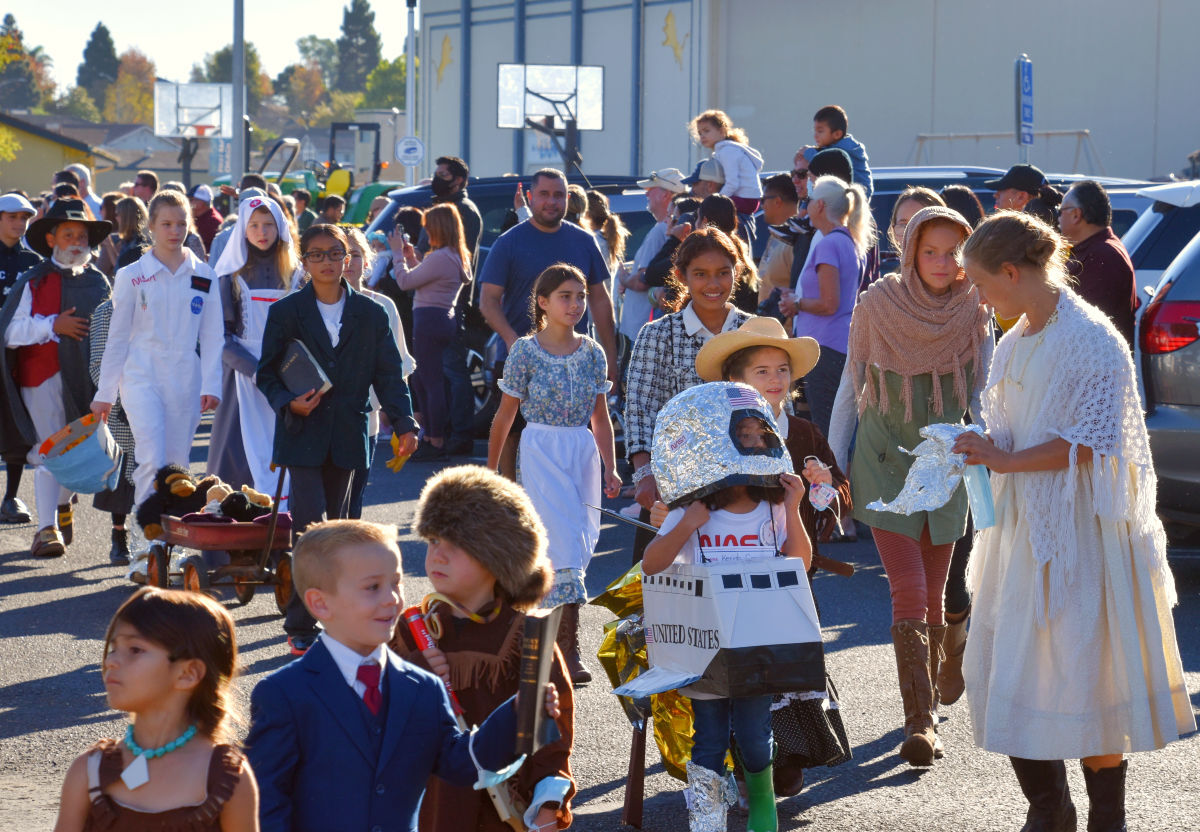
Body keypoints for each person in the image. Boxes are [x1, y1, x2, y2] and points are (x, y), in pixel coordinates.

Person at [956, 211, 1194, 832]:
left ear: (1012, 271)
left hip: (1081, 534)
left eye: (982, 283)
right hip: (1020, 529)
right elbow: (1015, 425)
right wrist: (981, 446)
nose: (978, 296)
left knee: (1087, 675)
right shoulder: (1015, 339)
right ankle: (1049, 809)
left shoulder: (1091, 338)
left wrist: (1005, 456)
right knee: (1013, 666)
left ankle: (1106, 820)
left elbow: (1090, 442)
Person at [244, 518, 562, 832]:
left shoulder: (422, 688)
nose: (392, 599)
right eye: (373, 587)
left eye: (396, 582)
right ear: (320, 603)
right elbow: (265, 804)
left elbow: (462, 764)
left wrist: (516, 712)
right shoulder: (284, 694)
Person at [837, 206, 991, 767]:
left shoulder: (976, 307)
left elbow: (986, 390)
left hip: (947, 464)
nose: (944, 263)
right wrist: (833, 463)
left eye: (954, 252)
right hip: (883, 461)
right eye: (932, 251)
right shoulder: (878, 303)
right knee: (908, 587)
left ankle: (950, 656)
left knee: (936, 586)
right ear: (911, 252)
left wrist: (992, 449)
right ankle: (920, 722)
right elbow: (852, 385)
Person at [692, 316, 851, 795]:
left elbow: (842, 491)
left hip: (793, 571)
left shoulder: (802, 431)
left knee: (789, 670)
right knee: (735, 675)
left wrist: (825, 490)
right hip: (728, 571)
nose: (776, 379)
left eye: (782, 369)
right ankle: (741, 770)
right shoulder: (714, 432)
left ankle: (785, 766)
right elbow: (688, 491)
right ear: (735, 382)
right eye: (761, 371)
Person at [256, 224, 419, 654]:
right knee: (309, 530)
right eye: (317, 255)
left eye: (335, 253)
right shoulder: (287, 311)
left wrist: (404, 423)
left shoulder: (371, 313)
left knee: (345, 529)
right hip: (303, 433)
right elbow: (267, 373)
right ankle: (302, 624)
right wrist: (290, 402)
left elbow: (388, 374)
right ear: (304, 262)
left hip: (350, 432)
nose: (327, 262)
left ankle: (342, 619)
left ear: (348, 259)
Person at [390, 466, 577, 831]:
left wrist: (548, 800)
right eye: (432, 541)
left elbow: (548, 736)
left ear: (498, 557)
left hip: (500, 814)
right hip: (428, 810)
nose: (437, 555)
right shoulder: (412, 629)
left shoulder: (528, 635)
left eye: (455, 545)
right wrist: (415, 671)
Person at [644, 426, 810, 832]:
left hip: (757, 640)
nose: (750, 442)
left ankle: (762, 803)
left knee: (755, 734)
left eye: (758, 435)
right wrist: (687, 523)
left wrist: (794, 506)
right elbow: (651, 564)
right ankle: (706, 821)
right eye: (741, 435)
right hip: (704, 643)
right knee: (710, 737)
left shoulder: (773, 508)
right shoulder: (692, 508)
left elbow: (801, 563)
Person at [487, 265, 621, 684]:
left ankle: (538, 643)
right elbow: (504, 417)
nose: (576, 304)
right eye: (565, 296)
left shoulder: (593, 353)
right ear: (542, 302)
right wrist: (492, 470)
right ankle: (567, 650)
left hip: (580, 453)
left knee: (578, 546)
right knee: (560, 544)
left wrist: (611, 466)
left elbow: (600, 417)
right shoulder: (525, 352)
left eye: (580, 296)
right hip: (542, 450)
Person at [52, 587, 258, 831]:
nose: (111, 661)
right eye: (113, 648)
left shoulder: (227, 778)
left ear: (188, 674)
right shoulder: (88, 770)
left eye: (135, 650)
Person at [625, 228, 754, 560]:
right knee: (662, 597)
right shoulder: (657, 335)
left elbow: (776, 409)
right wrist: (644, 475)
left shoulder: (756, 332)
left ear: (736, 272)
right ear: (681, 276)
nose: (713, 284)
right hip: (673, 489)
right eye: (701, 274)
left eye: (723, 273)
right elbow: (640, 410)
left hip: (748, 492)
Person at [479, 168, 618, 475]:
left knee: (578, 429)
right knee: (513, 433)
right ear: (530, 197)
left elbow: (599, 298)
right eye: (544, 194)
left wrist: (611, 354)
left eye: (558, 195)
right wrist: (512, 340)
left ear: (567, 199)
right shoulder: (509, 242)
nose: (551, 202)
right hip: (518, 355)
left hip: (574, 358)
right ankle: (509, 502)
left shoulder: (584, 241)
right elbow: (488, 301)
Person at [92, 190, 223, 506]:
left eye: (181, 224)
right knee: (150, 457)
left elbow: (213, 336)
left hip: (185, 378)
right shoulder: (132, 276)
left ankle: (169, 545)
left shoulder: (204, 275)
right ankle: (144, 544)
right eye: (166, 224)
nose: (175, 232)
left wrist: (211, 384)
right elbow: (118, 337)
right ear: (151, 226)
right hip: (141, 374)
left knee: (177, 466)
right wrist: (105, 393)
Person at [0, 198, 111, 557]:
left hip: (87, 382)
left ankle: (60, 506)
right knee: (50, 450)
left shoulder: (98, 283)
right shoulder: (34, 281)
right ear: (51, 240)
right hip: (42, 377)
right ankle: (46, 530)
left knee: (79, 454)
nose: (76, 242)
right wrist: (53, 326)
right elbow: (10, 332)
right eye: (68, 234)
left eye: (81, 235)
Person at [206, 195, 301, 496]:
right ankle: (233, 537)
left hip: (290, 375)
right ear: (243, 230)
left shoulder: (298, 275)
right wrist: (257, 370)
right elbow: (219, 336)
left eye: (269, 225)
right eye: (255, 225)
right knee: (236, 455)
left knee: (288, 456)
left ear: (280, 227)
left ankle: (285, 534)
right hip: (243, 375)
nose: (262, 232)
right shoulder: (229, 275)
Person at [782, 175, 873, 438]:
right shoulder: (848, 241)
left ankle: (834, 480)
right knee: (839, 428)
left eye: (809, 201)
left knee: (829, 430)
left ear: (819, 206)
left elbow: (828, 303)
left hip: (824, 349)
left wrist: (796, 303)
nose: (806, 205)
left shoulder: (830, 243)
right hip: (836, 345)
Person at [387, 203, 472, 461]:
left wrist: (397, 255)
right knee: (427, 380)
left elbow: (404, 282)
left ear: (437, 228)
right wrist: (412, 258)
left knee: (430, 382)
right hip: (443, 318)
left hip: (429, 319)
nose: (425, 233)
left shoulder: (441, 256)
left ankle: (435, 440)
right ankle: (432, 435)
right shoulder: (455, 256)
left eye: (428, 227)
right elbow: (425, 277)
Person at [342, 228, 415, 519]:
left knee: (353, 504)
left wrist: (402, 423)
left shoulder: (384, 306)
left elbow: (399, 369)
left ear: (368, 261)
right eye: (340, 254)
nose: (348, 262)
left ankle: (348, 563)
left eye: (355, 254)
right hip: (319, 420)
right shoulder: (310, 305)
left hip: (366, 421)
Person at [88, 295, 138, 565]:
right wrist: (115, 398)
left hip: (156, 395)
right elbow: (98, 362)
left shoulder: (163, 304)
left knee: (156, 473)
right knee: (119, 472)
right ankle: (119, 536)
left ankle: (154, 538)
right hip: (118, 402)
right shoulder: (107, 310)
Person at [1059, 180, 1138, 347]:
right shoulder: (1093, 249)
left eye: (1061, 211)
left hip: (1095, 364)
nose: (1058, 218)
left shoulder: (1104, 255)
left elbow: (1081, 320)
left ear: (1076, 215)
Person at [0, 193, 39, 524]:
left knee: (17, 426)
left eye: (24, 217)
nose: (19, 223)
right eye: (12, 216)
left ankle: (11, 497)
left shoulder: (33, 262)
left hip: (18, 356)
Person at [617, 168, 686, 343]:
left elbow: (642, 281)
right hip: (644, 329)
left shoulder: (661, 230)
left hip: (640, 331)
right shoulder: (665, 229)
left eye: (651, 188)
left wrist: (624, 278)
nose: (646, 193)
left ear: (666, 195)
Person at [689, 109, 765, 244]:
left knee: (709, 210)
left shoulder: (728, 151)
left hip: (745, 199)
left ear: (721, 131)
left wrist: (715, 201)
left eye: (707, 131)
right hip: (747, 199)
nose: (702, 136)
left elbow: (732, 183)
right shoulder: (727, 150)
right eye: (700, 133)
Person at [804, 105, 873, 198]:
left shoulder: (843, 151)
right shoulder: (835, 147)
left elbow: (821, 161)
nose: (815, 136)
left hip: (855, 197)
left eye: (820, 131)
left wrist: (807, 152)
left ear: (837, 134)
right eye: (815, 131)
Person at [881, 186, 946, 276]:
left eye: (921, 224)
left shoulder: (967, 285)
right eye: (903, 225)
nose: (910, 233)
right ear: (893, 231)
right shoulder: (884, 288)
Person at [757, 174, 799, 300]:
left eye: (763, 200)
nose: (762, 205)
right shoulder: (776, 235)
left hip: (787, 319)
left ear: (777, 201)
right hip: (767, 318)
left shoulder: (797, 240)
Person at [985, 163, 1063, 226]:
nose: (995, 195)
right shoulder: (1053, 228)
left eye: (1001, 189)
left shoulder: (1020, 236)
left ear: (1021, 197)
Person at [113, 197, 152, 270]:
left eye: (118, 214)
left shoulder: (139, 246)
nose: (116, 218)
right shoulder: (128, 240)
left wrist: (109, 246)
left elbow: (121, 269)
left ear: (126, 217)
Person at [189, 185, 223, 252]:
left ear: (202, 202)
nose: (189, 203)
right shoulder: (200, 217)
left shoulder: (212, 221)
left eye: (191, 200)